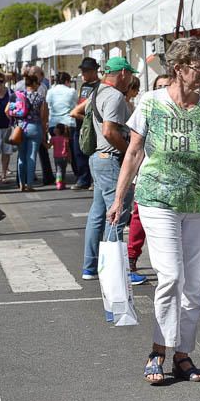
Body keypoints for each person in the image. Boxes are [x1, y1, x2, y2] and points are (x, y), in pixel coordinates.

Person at [106, 37, 200, 385]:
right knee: (171, 276)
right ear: (179, 69)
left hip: (198, 203)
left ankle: (183, 353)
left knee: (194, 286)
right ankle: (158, 350)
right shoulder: (151, 103)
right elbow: (133, 152)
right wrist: (120, 198)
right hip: (157, 200)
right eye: (199, 69)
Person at [80, 56, 136, 280]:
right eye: (130, 75)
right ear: (123, 73)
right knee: (117, 214)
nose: (130, 80)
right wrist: (127, 152)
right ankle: (116, 271)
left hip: (97, 158)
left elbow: (80, 114)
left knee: (97, 213)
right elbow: (109, 131)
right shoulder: (114, 96)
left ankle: (90, 267)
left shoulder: (96, 92)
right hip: (109, 158)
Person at [126, 74, 170, 286]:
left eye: (166, 86)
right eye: (159, 86)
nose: (162, 89)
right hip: (148, 178)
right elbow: (134, 149)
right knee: (138, 220)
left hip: (175, 184)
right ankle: (131, 258)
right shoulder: (148, 107)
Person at [11, 73, 48, 192]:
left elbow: (7, 110)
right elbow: (43, 118)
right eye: (38, 83)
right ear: (34, 84)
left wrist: (15, 120)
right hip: (35, 127)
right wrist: (44, 132)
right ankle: (30, 184)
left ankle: (21, 184)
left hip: (21, 127)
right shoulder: (40, 98)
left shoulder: (18, 96)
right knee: (31, 155)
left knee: (21, 156)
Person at [70, 57, 100, 190]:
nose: (83, 74)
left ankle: (94, 180)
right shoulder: (84, 85)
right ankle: (83, 179)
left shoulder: (98, 86)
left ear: (94, 71)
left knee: (91, 153)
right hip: (79, 124)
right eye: (82, 71)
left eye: (85, 71)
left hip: (89, 124)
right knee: (78, 153)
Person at [46, 71, 77, 136]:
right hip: (68, 124)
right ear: (66, 81)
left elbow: (48, 105)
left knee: (57, 145)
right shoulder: (72, 91)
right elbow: (75, 105)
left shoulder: (50, 91)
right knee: (69, 145)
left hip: (53, 125)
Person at [50, 123, 70, 190]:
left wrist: (43, 142)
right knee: (63, 170)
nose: (54, 129)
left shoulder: (53, 139)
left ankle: (59, 183)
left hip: (57, 157)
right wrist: (70, 157)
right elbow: (68, 149)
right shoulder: (65, 138)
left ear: (58, 130)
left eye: (55, 128)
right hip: (65, 157)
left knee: (58, 170)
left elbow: (48, 146)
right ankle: (63, 183)